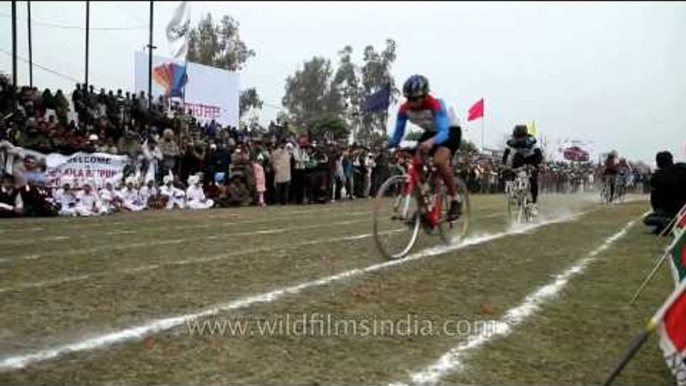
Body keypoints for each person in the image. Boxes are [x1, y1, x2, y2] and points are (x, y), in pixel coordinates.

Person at [387, 74, 463, 221]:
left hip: (449, 130)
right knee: (416, 166)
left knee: (439, 161)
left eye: (415, 99)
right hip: (431, 131)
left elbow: (443, 132)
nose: (412, 103)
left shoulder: (436, 104)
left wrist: (431, 142)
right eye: (409, 98)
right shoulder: (404, 110)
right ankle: (424, 208)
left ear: (425, 95)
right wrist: (389, 144)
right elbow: (397, 135)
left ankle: (455, 198)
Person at [501, 124, 544, 215]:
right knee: (511, 169)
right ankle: (513, 190)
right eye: (516, 137)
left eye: (519, 138)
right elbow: (506, 154)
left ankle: (534, 204)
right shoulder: (511, 141)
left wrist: (534, 166)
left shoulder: (531, 140)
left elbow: (539, 155)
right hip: (520, 157)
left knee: (533, 179)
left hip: (533, 157)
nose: (518, 140)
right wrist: (503, 165)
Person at [644, 151, 686, 234]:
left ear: (658, 162)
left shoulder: (656, 177)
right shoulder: (682, 168)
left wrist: (658, 210)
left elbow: (654, 200)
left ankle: (669, 223)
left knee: (648, 219)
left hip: (670, 210)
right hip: (684, 209)